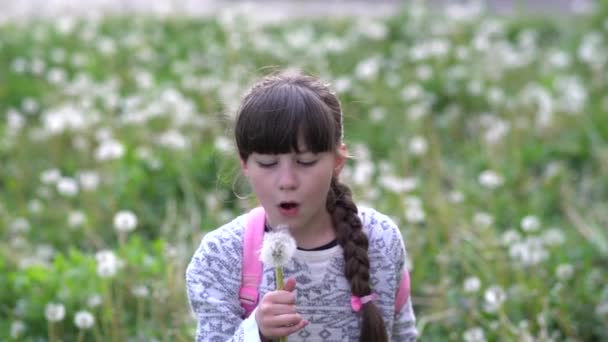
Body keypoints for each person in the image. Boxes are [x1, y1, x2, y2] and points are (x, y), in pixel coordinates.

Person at [186, 71, 417, 341]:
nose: (286, 181)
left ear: (337, 161)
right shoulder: (221, 256)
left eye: (305, 162)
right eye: (268, 164)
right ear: (245, 163)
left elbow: (404, 336)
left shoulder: (380, 239)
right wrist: (256, 331)